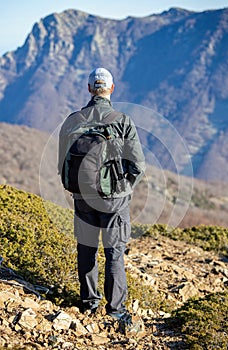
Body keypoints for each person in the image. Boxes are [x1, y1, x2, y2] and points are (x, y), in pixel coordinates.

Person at [58, 67, 146, 324]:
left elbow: (61, 163)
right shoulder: (122, 120)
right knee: (114, 253)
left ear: (89, 89)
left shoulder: (73, 120)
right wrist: (123, 187)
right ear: (111, 89)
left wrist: (75, 187)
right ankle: (116, 311)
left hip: (82, 196)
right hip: (115, 200)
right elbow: (138, 165)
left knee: (86, 249)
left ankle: (88, 304)